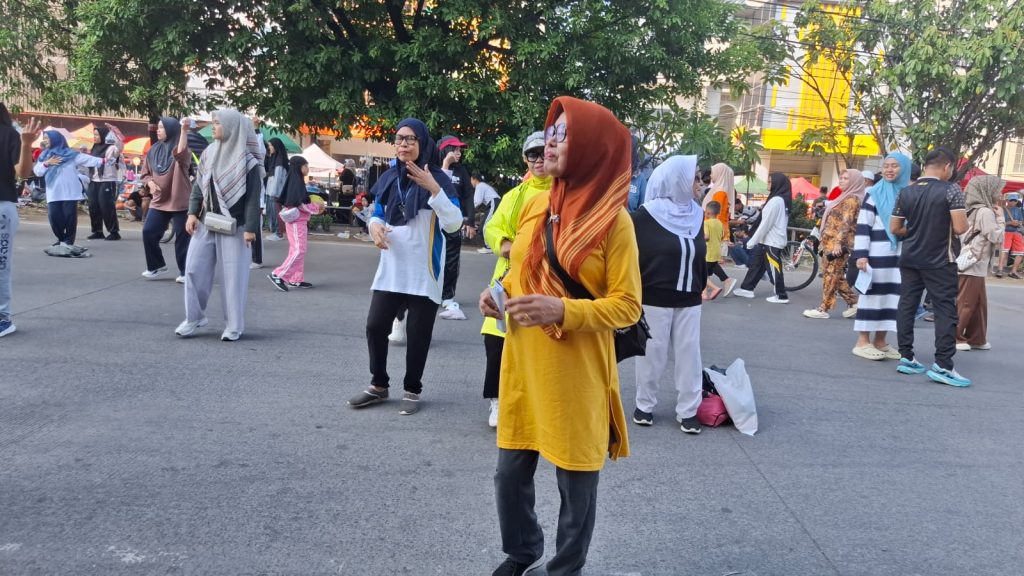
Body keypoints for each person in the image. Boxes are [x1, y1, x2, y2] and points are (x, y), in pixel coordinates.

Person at [479, 96, 640, 576]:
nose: (550, 142)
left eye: (564, 135)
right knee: (509, 475)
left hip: (576, 374)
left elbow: (628, 306)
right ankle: (522, 550)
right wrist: (498, 294)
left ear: (592, 148)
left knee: (576, 487)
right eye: (551, 131)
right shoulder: (535, 204)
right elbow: (520, 271)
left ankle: (566, 569)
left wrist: (563, 310)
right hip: (524, 365)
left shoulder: (614, 221)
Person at [346, 118, 463, 416]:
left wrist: (434, 189)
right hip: (392, 269)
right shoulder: (389, 177)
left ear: (423, 143)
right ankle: (379, 385)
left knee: (418, 334)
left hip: (424, 272)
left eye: (411, 139)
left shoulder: (439, 179)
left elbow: (454, 224)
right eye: (399, 139)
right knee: (375, 326)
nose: (403, 144)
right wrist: (374, 225)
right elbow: (378, 212)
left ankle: (412, 389)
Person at [479, 131, 551, 428]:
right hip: (508, 274)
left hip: (547, 278)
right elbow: (491, 228)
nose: (539, 160)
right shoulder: (514, 195)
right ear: (525, 159)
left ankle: (536, 402)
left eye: (544, 153)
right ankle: (497, 400)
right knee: (496, 339)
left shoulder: (566, 191)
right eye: (533, 154)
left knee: (540, 342)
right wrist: (504, 244)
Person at [631, 155, 707, 433]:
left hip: (690, 298)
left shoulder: (697, 214)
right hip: (654, 297)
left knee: (690, 356)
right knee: (652, 354)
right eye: (695, 178)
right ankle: (644, 405)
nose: (700, 184)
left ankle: (688, 411)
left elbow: (699, 254)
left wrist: (703, 283)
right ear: (679, 181)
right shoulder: (646, 215)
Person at [175, 108, 263, 342]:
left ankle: (234, 326)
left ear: (232, 127)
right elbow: (199, 186)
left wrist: (250, 229)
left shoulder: (248, 161)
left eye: (217, 123)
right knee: (193, 269)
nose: (213, 127)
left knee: (233, 277)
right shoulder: (209, 153)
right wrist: (192, 213)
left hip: (236, 226)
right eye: (213, 122)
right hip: (207, 221)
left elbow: (253, 198)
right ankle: (194, 318)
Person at [890, 147, 970, 386]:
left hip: (910, 258)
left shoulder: (905, 192)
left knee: (907, 305)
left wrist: (915, 231)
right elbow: (960, 228)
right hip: (940, 260)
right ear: (947, 167)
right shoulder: (951, 190)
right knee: (945, 310)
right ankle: (944, 365)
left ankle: (906, 357)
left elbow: (895, 228)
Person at [850, 153, 910, 360]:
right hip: (875, 256)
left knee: (892, 298)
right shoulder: (874, 193)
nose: (889, 170)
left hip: (898, 257)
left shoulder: (907, 193)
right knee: (872, 296)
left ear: (904, 169)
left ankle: (880, 341)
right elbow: (863, 225)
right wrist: (861, 255)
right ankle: (862, 341)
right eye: (886, 166)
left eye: (895, 166)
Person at [803, 169, 865, 319]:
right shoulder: (844, 197)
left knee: (831, 275)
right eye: (841, 177)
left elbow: (846, 223)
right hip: (830, 241)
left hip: (838, 244)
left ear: (854, 181)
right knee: (834, 275)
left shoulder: (852, 199)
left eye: (846, 178)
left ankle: (823, 309)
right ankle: (854, 303)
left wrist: (838, 244)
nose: (841, 180)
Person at [34, 130, 105, 256]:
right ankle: (61, 239)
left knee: (69, 218)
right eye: (44, 138)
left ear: (56, 139)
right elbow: (38, 172)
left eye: (47, 138)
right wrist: (47, 163)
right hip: (54, 192)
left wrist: (105, 160)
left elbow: (88, 159)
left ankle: (68, 241)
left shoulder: (71, 155)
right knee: (54, 217)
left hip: (70, 192)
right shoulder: (44, 155)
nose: (45, 141)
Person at [140, 116, 192, 283]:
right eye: (158, 127)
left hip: (179, 200)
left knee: (183, 237)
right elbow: (145, 173)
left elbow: (181, 154)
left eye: (162, 127)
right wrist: (150, 183)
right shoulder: (153, 150)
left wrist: (183, 131)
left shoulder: (181, 149)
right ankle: (156, 266)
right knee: (148, 231)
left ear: (171, 130)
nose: (158, 130)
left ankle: (186, 272)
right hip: (159, 200)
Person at [955, 175, 1004, 351]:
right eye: (997, 189)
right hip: (974, 263)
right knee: (967, 303)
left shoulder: (971, 209)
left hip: (972, 261)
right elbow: (996, 236)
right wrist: (1001, 218)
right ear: (987, 190)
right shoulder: (985, 212)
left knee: (977, 303)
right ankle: (955, 337)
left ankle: (977, 338)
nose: (999, 193)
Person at [733, 172, 791, 303]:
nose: (768, 184)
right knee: (757, 265)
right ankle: (747, 288)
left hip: (772, 241)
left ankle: (781, 295)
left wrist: (752, 241)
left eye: (770, 182)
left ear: (777, 183)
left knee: (774, 268)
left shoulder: (776, 201)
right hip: (768, 240)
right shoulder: (779, 199)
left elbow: (766, 224)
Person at [267, 156, 323, 291]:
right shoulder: (297, 183)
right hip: (297, 222)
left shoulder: (295, 181)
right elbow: (300, 204)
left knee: (296, 249)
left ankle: (296, 279)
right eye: (306, 166)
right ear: (299, 167)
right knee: (299, 250)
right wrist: (317, 208)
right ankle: (278, 275)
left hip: (295, 221)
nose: (308, 168)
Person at [437, 135, 472, 320]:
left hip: (454, 222)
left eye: (460, 150)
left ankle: (448, 296)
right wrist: (445, 164)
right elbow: (437, 190)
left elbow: (468, 196)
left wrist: (470, 221)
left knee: (452, 260)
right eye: (455, 149)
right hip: (435, 222)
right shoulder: (434, 168)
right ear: (445, 150)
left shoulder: (461, 171)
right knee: (434, 258)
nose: (458, 153)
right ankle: (432, 292)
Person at [0, 103, 23, 337]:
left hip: (2, 207)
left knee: (0, 266)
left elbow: (23, 172)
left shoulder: (9, 135)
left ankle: (3, 318)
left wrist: (27, 143)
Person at [85, 123, 125, 240]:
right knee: (93, 206)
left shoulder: (111, 148)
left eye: (97, 135)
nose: (95, 137)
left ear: (103, 136)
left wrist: (116, 132)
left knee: (106, 207)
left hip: (107, 180)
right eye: (94, 135)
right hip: (94, 180)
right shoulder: (94, 148)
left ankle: (114, 232)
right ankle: (97, 231)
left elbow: (120, 147)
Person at [702, 200, 735, 300]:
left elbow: (706, 236)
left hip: (708, 251)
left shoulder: (706, 223)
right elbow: (721, 236)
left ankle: (722, 283)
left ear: (707, 212)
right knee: (711, 269)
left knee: (702, 272)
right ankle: (704, 292)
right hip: (716, 250)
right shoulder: (720, 223)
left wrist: (698, 237)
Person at [264, 137, 289, 241]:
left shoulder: (280, 160)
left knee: (276, 213)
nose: (269, 147)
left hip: (275, 192)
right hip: (270, 191)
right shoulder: (274, 158)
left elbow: (278, 179)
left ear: (276, 146)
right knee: (271, 212)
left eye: (271, 145)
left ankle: (278, 233)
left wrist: (274, 193)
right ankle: (275, 232)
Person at [995, 192, 1022, 279]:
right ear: (1007, 201)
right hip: (1006, 232)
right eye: (1011, 200)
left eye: (1015, 200)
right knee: (1004, 250)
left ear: (1017, 201)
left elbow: (1021, 221)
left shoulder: (1018, 210)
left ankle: (1013, 271)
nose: (1013, 202)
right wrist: (1010, 223)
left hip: (1017, 232)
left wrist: (1018, 223)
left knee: (1021, 252)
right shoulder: (1002, 209)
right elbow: (998, 222)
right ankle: (1000, 269)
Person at [472, 172, 500, 254]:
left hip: (493, 203)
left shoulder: (480, 186)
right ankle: (491, 246)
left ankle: (488, 247)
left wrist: (470, 210)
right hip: (494, 203)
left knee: (485, 225)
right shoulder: (483, 185)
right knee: (487, 225)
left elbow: (477, 202)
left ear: (474, 179)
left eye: (471, 180)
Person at [703, 163, 735, 234]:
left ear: (719, 173)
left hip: (713, 234)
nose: (710, 175)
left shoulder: (720, 192)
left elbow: (716, 216)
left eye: (712, 173)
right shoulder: (721, 191)